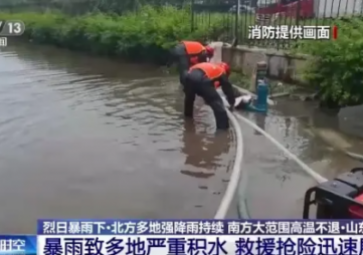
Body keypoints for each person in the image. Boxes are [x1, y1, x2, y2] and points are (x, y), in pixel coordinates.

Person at [183, 62, 235, 130]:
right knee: (218, 106)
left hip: (187, 78)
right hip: (202, 80)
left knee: (189, 101)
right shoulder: (221, 71)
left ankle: (187, 122)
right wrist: (232, 102)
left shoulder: (207, 66)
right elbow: (228, 88)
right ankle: (223, 132)